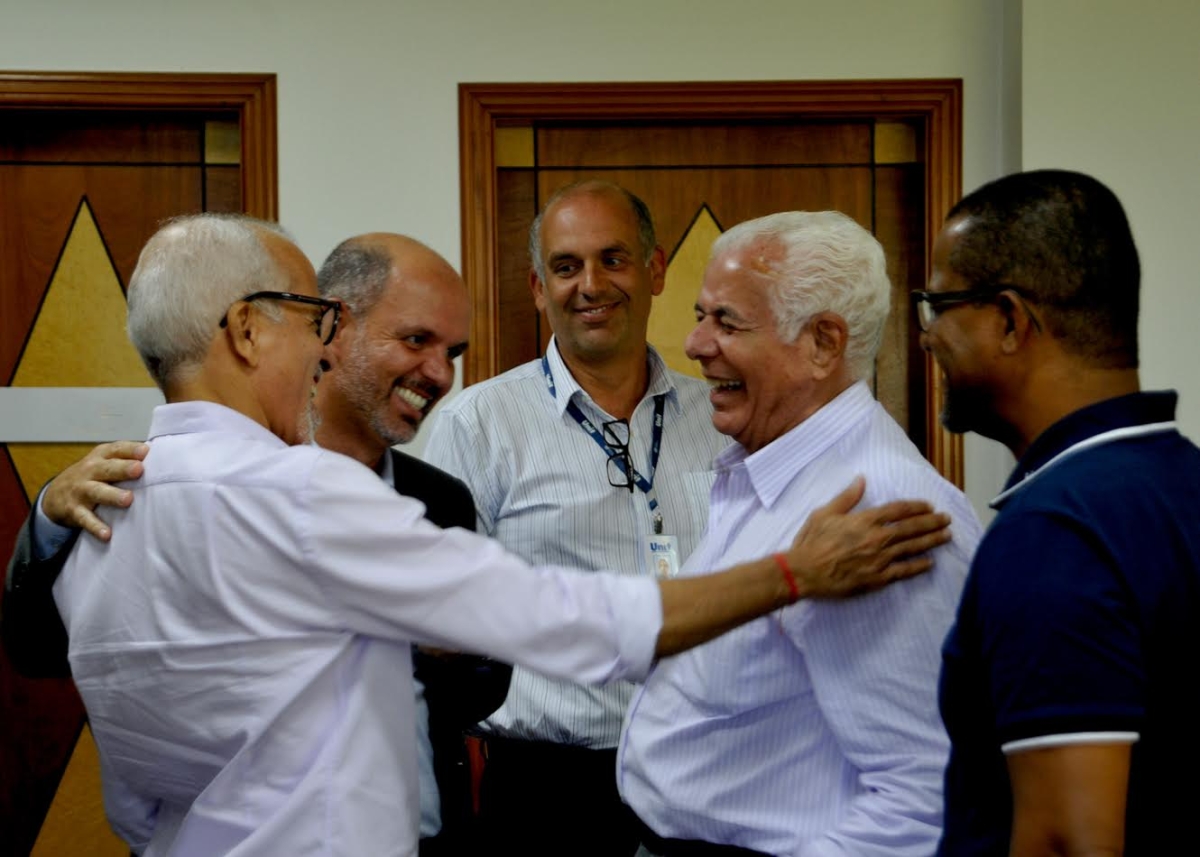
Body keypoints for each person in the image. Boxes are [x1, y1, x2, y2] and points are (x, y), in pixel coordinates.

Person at [30, 212, 950, 856]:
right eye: (314, 322)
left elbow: (139, 793)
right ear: (242, 329)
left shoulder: (94, 518)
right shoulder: (301, 493)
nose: (321, 347)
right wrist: (793, 571)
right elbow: (569, 620)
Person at [4, 232, 509, 855]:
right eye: (416, 341)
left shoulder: (442, 500)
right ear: (333, 329)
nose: (441, 374)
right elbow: (37, 646)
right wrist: (50, 518)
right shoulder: (163, 490)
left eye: (452, 352)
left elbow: (485, 684)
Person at [618, 211, 982, 857]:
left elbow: (922, 799)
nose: (696, 343)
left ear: (823, 343)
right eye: (702, 315)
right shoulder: (765, 471)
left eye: (726, 321)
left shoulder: (880, 512)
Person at [423, 179, 728, 855]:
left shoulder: (724, 422)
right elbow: (436, 618)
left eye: (613, 259)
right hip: (547, 793)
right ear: (539, 287)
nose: (590, 284)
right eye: (566, 267)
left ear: (654, 271)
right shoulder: (480, 424)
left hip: (709, 773)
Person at [923, 170, 1200, 856]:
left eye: (939, 305)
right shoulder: (1182, 481)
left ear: (1011, 320)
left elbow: (1068, 840)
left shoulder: (1058, 531)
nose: (927, 336)